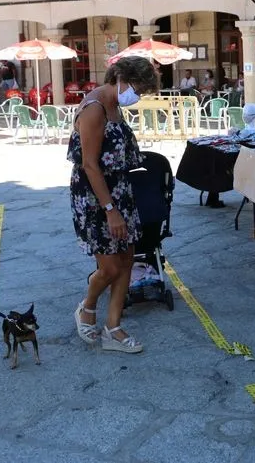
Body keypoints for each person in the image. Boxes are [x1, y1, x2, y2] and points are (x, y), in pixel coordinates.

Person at [69, 56, 159, 354]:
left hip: (120, 190)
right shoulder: (94, 109)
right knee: (109, 266)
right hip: (96, 197)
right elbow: (90, 165)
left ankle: (113, 328)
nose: (138, 96)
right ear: (121, 77)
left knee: (126, 260)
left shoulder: (114, 105)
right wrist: (111, 211)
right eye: (138, 89)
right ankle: (87, 307)